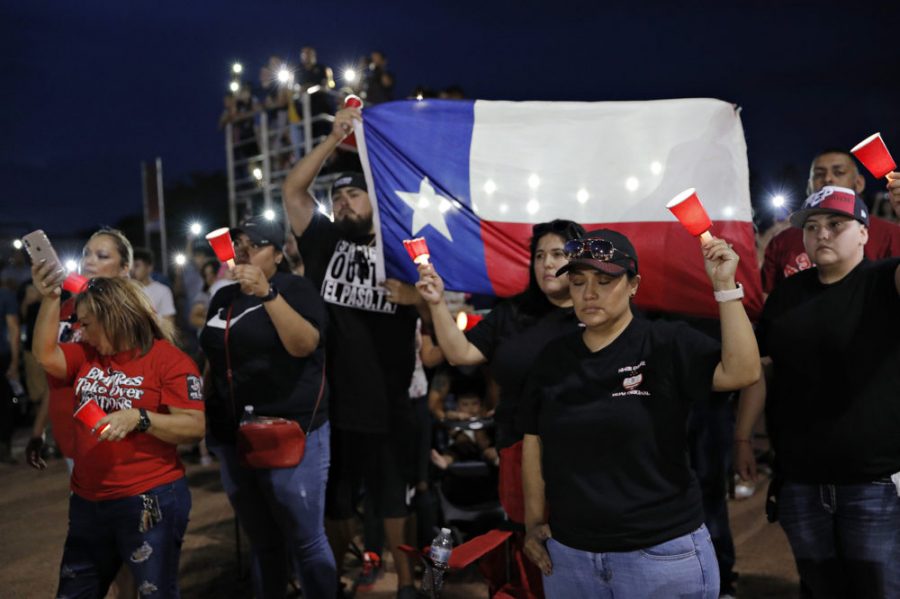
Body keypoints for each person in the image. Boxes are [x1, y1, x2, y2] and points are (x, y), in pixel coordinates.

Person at [518, 228, 759, 598]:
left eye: (605, 280)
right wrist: (534, 522)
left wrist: (725, 287)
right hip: (571, 558)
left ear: (634, 285)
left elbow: (743, 371)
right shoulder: (553, 359)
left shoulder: (666, 342)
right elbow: (534, 439)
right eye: (579, 282)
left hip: (660, 556)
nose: (590, 293)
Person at [282, 106, 421, 599]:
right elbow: (293, 192)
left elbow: (436, 292)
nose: (341, 203)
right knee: (336, 502)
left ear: (374, 200)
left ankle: (405, 585)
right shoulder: (321, 241)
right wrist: (333, 137)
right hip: (333, 404)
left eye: (352, 194)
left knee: (393, 500)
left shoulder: (402, 244)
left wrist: (417, 296)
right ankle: (335, 582)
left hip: (390, 398)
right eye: (337, 197)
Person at [735, 186, 900, 598]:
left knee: (879, 589)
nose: (822, 234)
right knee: (819, 588)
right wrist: (742, 437)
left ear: (864, 232)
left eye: (835, 224)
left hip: (873, 482)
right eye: (812, 226)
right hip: (800, 480)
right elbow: (760, 370)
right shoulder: (787, 297)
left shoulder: (885, 282)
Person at [30, 269, 204, 598]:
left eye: (87, 323)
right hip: (87, 501)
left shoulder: (169, 361)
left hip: (148, 501)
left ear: (115, 317)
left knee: (156, 593)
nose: (80, 331)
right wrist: (51, 297)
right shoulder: (88, 355)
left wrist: (141, 418)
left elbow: (194, 426)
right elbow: (44, 355)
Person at [199, 216, 335, 598]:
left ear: (277, 253)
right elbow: (211, 356)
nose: (242, 252)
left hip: (289, 430)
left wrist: (267, 294)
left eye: (254, 245)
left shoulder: (295, 288)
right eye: (238, 244)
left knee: (305, 540)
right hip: (233, 434)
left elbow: (305, 345)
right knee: (263, 542)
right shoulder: (223, 296)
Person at [27, 228, 136, 468]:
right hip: (69, 433)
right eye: (86, 254)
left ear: (125, 268)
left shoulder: (131, 314)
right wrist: (38, 431)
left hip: (111, 433)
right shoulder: (65, 308)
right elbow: (52, 369)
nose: (89, 261)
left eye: (102, 256)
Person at [762, 150, 900, 294]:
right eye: (819, 174)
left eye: (839, 172)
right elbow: (767, 300)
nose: (828, 179)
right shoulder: (782, 241)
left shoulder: (891, 234)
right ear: (808, 186)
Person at [132, 248, 176, 328]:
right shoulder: (125, 289)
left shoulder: (163, 291)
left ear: (149, 268)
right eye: (131, 266)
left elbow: (169, 322)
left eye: (137, 265)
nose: (133, 270)